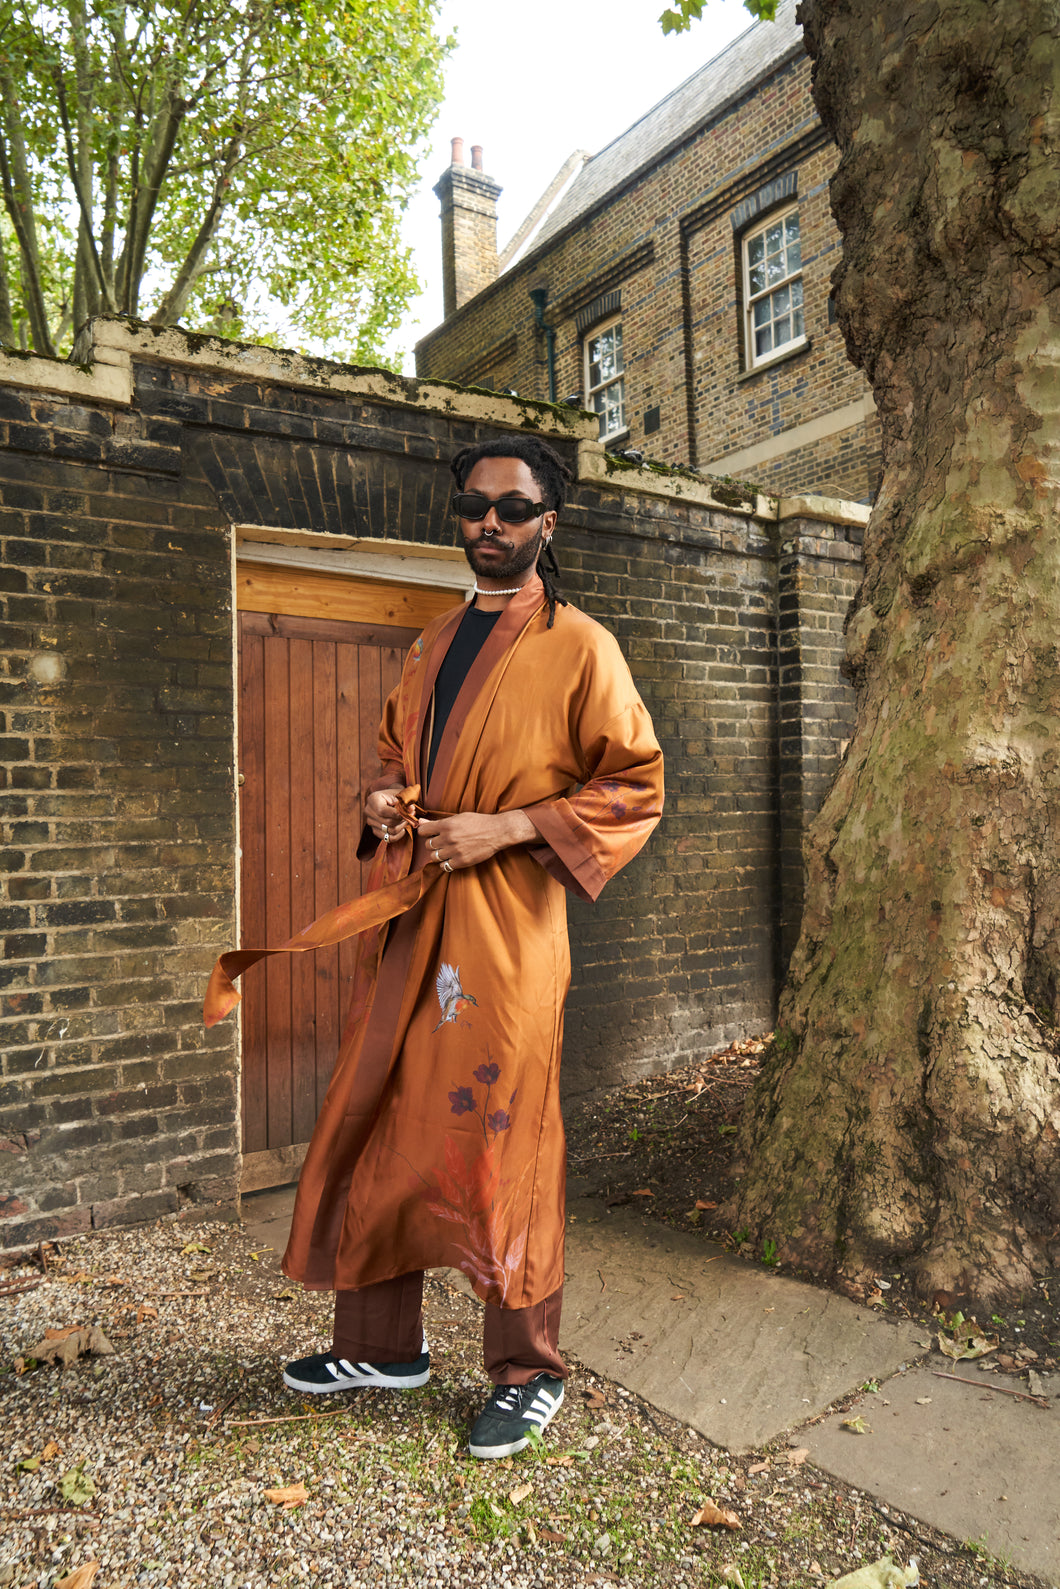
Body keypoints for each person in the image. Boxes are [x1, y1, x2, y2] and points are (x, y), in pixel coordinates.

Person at [206, 434, 663, 1459]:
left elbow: (634, 783)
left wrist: (502, 827)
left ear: (550, 522)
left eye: (510, 507)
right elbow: (392, 758)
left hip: (503, 938)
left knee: (503, 1132)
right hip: (409, 919)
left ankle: (526, 1367)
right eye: (471, 507)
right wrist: (384, 801)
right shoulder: (426, 642)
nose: (487, 524)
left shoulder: (581, 646)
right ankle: (382, 1346)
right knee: (378, 1113)